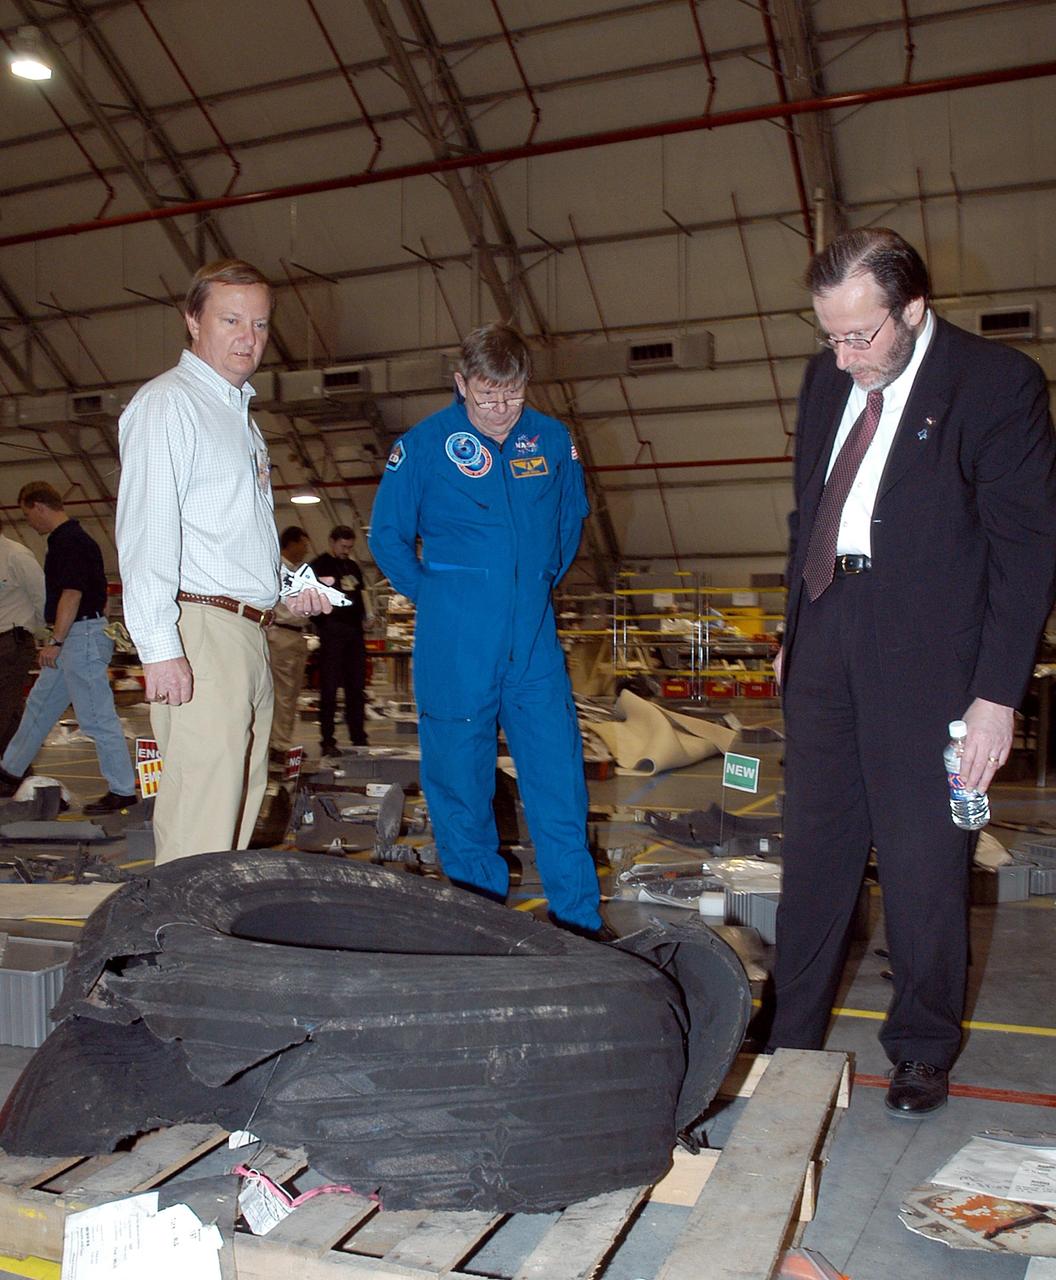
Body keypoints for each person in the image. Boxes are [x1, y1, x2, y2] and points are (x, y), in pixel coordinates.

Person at [769, 227, 1056, 1116]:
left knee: (926, 854)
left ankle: (923, 1044)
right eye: (830, 337)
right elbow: (807, 507)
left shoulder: (996, 384)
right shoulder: (828, 379)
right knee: (814, 848)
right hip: (826, 629)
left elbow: (1028, 548)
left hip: (931, 654)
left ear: (914, 309)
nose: (846, 356)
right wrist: (793, 630)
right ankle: (789, 1029)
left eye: (862, 336)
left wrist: (997, 696)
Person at [369, 323, 603, 934]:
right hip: (454, 647)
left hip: (532, 644)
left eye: (514, 393)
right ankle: (477, 919)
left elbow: (568, 522)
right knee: (459, 788)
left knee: (559, 784)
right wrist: (441, 596)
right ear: (460, 384)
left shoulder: (551, 440)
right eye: (486, 395)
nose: (501, 409)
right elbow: (387, 537)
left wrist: (530, 587)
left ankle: (577, 918)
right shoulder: (422, 446)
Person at [116, 258, 329, 864]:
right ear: (192, 321)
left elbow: (227, 535)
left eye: (259, 325)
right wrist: (159, 647)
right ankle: (179, 949)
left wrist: (283, 589)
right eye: (231, 319)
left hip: (248, 632)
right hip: (201, 633)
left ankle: (207, 943)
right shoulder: (169, 406)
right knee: (200, 814)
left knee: (236, 806)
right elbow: (146, 532)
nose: (248, 337)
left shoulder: (238, 417)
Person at [0, 483, 136, 812]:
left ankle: (123, 789)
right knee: (39, 706)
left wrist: (57, 641)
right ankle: (8, 771)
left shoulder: (70, 542)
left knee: (96, 717)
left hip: (78, 638)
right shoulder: (70, 540)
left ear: (39, 507)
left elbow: (72, 594)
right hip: (79, 636)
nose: (29, 522)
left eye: (28, 514)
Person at [310, 525, 369, 757]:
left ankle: (359, 735)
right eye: (343, 546)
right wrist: (323, 624)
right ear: (332, 542)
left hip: (354, 633)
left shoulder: (352, 567)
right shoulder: (319, 566)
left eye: (350, 547)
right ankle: (327, 739)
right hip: (332, 632)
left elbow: (362, 596)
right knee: (330, 688)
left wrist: (366, 618)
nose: (346, 550)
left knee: (356, 687)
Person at [267, 525, 312, 762]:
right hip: (281, 634)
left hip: (296, 634)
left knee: (292, 693)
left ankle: (282, 739)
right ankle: (279, 744)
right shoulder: (278, 570)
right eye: (303, 542)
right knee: (282, 692)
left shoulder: (297, 572)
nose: (306, 548)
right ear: (291, 543)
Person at [0, 529, 45, 757]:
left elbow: (41, 596)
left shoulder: (16, 556)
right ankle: (15, 768)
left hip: (12, 640)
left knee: (5, 707)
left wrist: (37, 631)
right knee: (12, 708)